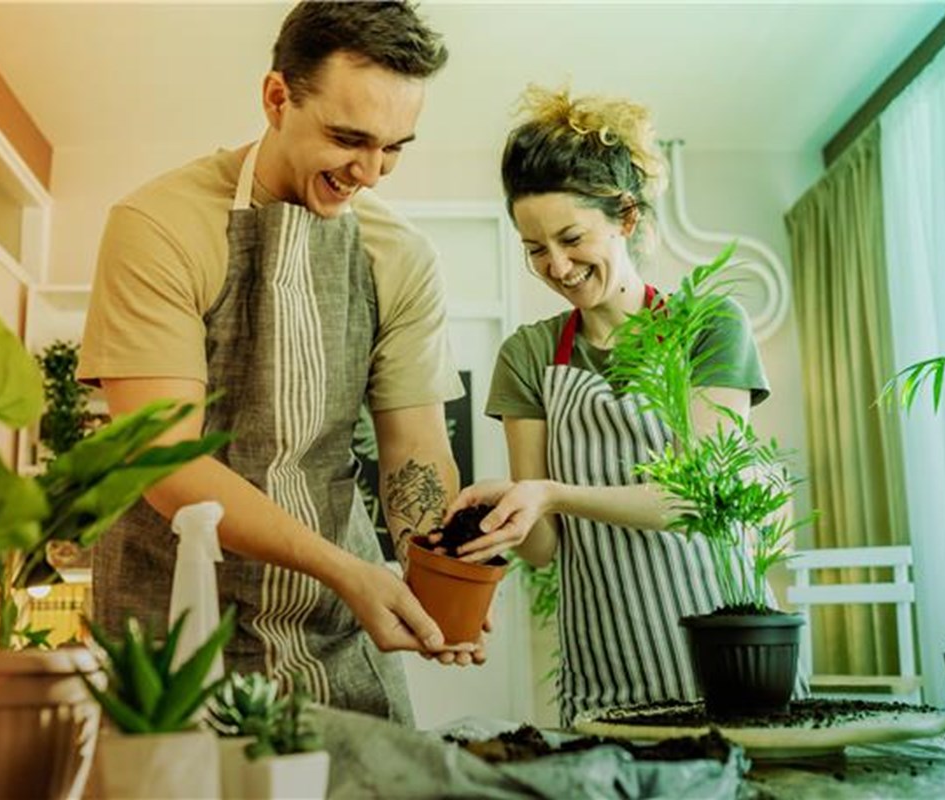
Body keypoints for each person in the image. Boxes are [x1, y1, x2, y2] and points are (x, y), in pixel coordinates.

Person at [77, 1, 475, 726]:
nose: (372, 171)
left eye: (394, 147)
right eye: (349, 138)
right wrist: (348, 570)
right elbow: (164, 461)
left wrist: (441, 573)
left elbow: (415, 451)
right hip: (171, 625)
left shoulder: (402, 257)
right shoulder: (161, 226)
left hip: (334, 631)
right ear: (276, 98)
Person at [444, 86, 777, 727]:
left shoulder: (709, 325)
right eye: (535, 248)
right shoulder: (529, 355)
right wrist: (507, 509)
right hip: (605, 678)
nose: (557, 266)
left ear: (625, 217)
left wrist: (551, 493)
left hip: (728, 659)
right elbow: (543, 548)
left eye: (572, 238)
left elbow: (696, 501)